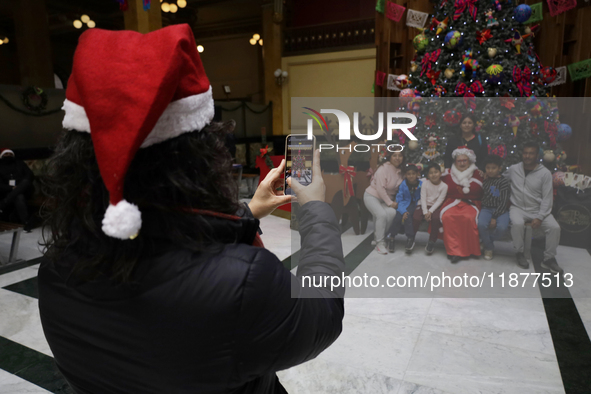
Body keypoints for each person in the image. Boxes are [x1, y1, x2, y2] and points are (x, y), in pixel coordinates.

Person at [38, 25, 345, 394]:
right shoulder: (242, 284)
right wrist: (315, 209)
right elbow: (322, 313)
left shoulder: (55, 270)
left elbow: (160, 240)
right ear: (195, 161)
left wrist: (246, 212)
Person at [504, 142, 563, 272]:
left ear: (537, 155)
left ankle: (548, 259)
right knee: (517, 223)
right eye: (525, 153)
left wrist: (540, 217)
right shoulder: (514, 169)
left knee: (554, 227)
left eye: (531, 153)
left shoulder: (545, 173)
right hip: (518, 207)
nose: (527, 156)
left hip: (538, 209)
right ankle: (519, 253)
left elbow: (547, 198)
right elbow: (500, 178)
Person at [440, 147, 484, 263]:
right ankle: (453, 251)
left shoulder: (478, 173)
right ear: (455, 161)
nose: (462, 163)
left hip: (471, 203)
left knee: (468, 218)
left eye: (464, 161)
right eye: (459, 161)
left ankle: (467, 249)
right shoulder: (447, 172)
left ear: (469, 161)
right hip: (451, 202)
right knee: (448, 217)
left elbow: (477, 189)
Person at [363, 148, 405, 254]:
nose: (397, 158)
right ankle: (380, 243)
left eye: (400, 155)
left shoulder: (401, 171)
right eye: (394, 155)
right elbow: (380, 189)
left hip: (385, 200)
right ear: (390, 157)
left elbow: (398, 189)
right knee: (381, 215)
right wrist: (390, 203)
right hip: (372, 196)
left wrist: (392, 202)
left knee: (392, 213)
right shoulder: (383, 168)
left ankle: (378, 236)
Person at [478, 155, 510, 260]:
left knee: (502, 228)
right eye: (488, 168)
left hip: (501, 210)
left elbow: (504, 201)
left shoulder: (503, 182)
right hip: (486, 208)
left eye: (493, 168)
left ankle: (487, 241)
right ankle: (489, 247)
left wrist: (494, 217)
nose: (490, 171)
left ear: (499, 168)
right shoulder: (485, 179)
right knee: (481, 225)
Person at [385, 164, 422, 254]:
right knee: (397, 217)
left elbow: (422, 196)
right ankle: (392, 238)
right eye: (408, 174)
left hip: (415, 204)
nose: (411, 176)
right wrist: (403, 211)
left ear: (417, 174)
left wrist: (407, 212)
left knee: (408, 217)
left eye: (413, 174)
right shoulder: (403, 184)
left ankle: (410, 238)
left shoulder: (421, 184)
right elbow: (399, 199)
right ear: (405, 175)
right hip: (403, 204)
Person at [413, 162, 448, 255]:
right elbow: (423, 198)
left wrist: (430, 211)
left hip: (435, 207)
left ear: (440, 173)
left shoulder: (444, 186)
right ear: (428, 175)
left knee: (436, 218)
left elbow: (439, 201)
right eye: (431, 173)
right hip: (423, 205)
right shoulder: (425, 184)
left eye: (436, 172)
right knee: (416, 217)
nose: (433, 175)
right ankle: (411, 238)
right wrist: (425, 212)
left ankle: (432, 241)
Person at [0, 149, 35, 229]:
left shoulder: (20, 163)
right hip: (8, 192)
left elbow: (30, 175)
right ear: (2, 156)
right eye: (6, 154)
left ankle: (3, 204)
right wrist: (11, 188)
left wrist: (19, 186)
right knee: (19, 196)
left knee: (26, 182)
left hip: (25, 189)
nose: (8, 156)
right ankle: (26, 223)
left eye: (10, 154)